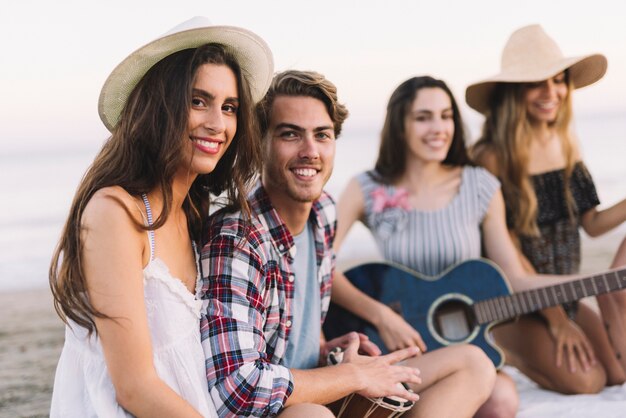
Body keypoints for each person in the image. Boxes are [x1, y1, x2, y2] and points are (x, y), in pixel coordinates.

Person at [331, 74, 597, 418]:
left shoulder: (480, 185)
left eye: (446, 116)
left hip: (460, 347)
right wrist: (380, 316)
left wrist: (597, 282)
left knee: (502, 400)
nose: (438, 127)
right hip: (391, 345)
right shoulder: (367, 187)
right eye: (423, 117)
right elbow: (322, 263)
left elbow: (515, 279)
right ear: (400, 126)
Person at [49, 17, 272, 417]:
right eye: (197, 101)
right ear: (161, 105)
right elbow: (134, 388)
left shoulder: (193, 216)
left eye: (229, 107)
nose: (217, 124)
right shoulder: (115, 211)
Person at [199, 70, 426, 418]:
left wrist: (330, 352)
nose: (310, 151)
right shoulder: (238, 241)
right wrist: (350, 375)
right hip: (276, 410)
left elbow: (295, 324)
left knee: (470, 365)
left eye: (322, 135)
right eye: (290, 134)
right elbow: (237, 390)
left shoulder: (324, 212)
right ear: (259, 144)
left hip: (320, 387)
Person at [467, 23, 626, 394]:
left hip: (563, 292)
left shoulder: (566, 146)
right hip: (517, 302)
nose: (551, 92)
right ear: (513, 92)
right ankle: (504, 342)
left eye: (558, 80)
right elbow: (508, 253)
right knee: (588, 382)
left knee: (616, 374)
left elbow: (592, 223)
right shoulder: (490, 157)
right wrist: (556, 321)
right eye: (537, 82)